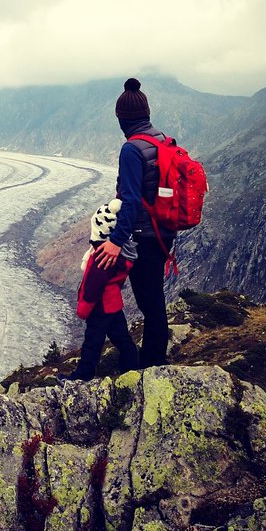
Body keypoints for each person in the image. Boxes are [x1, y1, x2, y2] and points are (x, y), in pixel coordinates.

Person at [91, 78, 176, 366]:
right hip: (163, 232)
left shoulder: (132, 149)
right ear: (147, 113)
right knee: (153, 298)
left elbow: (131, 201)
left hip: (142, 236)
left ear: (121, 118)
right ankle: (149, 357)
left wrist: (116, 242)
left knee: (141, 301)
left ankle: (150, 363)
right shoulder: (162, 139)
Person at [64, 199, 140, 380]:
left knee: (92, 341)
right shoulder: (121, 253)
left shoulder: (102, 256)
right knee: (122, 338)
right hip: (113, 304)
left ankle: (83, 375)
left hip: (100, 306)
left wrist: (83, 309)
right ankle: (132, 367)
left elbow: (93, 287)